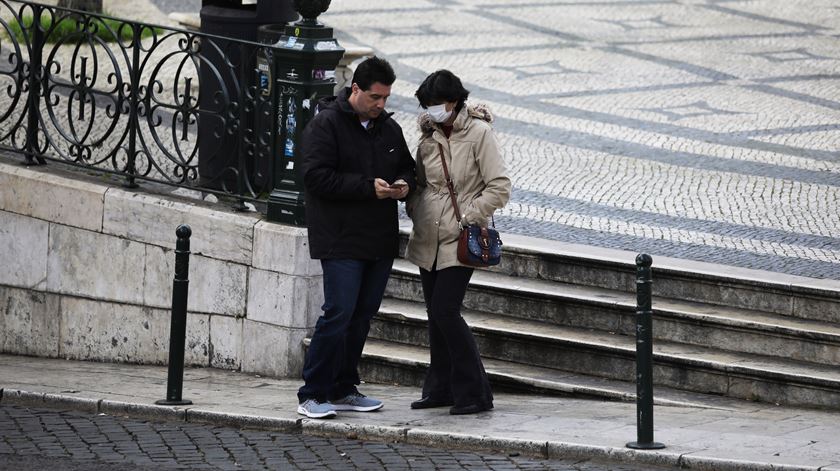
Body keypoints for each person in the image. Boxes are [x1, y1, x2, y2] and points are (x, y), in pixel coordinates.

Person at [297, 56, 416, 419]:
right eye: (375, 97)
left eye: (386, 98)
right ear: (355, 90)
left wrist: (403, 185)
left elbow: (407, 167)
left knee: (362, 315)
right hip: (340, 237)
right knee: (338, 313)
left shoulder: (389, 129)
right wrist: (368, 188)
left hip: (378, 238)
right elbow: (315, 177)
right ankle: (312, 393)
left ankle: (344, 387)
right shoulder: (326, 125)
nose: (381, 105)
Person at [404, 70, 511, 415]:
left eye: (436, 105)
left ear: (453, 101)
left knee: (445, 310)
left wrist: (468, 216)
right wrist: (413, 204)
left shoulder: (479, 133)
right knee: (434, 315)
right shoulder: (428, 136)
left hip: (461, 237)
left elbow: (500, 186)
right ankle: (440, 389)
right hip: (428, 235)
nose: (431, 111)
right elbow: (421, 183)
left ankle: (476, 393)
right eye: (427, 106)